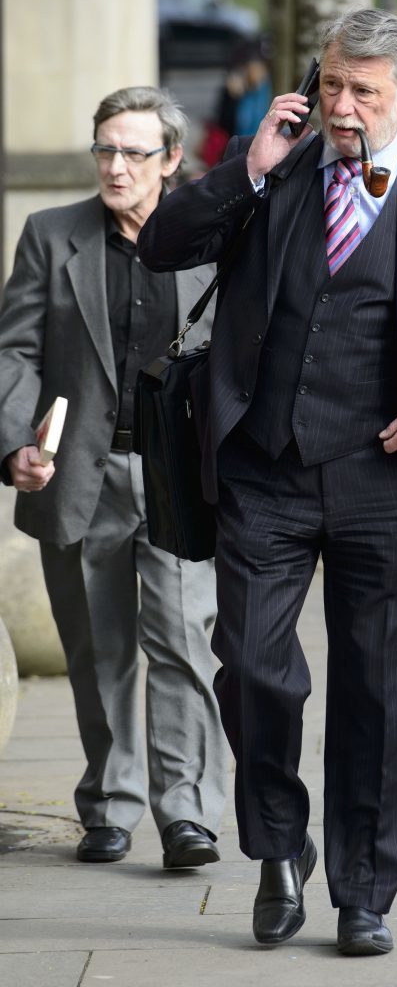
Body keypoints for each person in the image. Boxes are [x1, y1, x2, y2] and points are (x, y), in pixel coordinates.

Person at [138, 9, 397, 954]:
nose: (342, 105)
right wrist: (248, 168)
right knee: (253, 666)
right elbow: (161, 244)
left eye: (364, 91)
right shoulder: (270, 170)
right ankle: (280, 846)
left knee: (377, 695)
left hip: (388, 482)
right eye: (330, 85)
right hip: (263, 469)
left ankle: (363, 893)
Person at [0, 86, 228, 869]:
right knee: (98, 651)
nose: (116, 166)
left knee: (183, 644)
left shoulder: (213, 238)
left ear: (171, 160)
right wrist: (13, 444)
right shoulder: (50, 234)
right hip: (79, 476)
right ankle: (109, 802)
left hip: (181, 477)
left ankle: (187, 811)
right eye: (104, 148)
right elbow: (15, 351)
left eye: (134, 152)